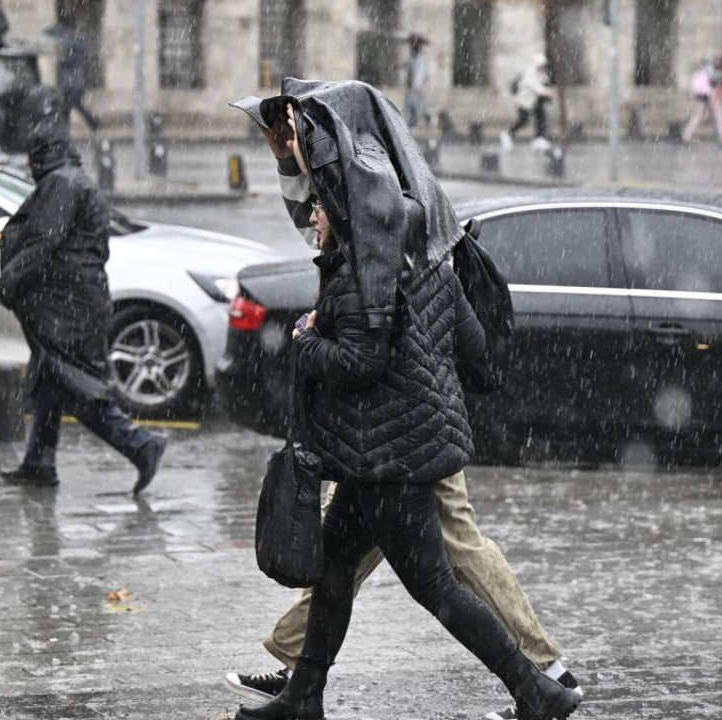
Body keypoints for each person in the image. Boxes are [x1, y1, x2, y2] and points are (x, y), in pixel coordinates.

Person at [230, 82, 582, 720]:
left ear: (346, 201)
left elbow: (361, 361)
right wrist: (424, 361)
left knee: (439, 583)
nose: (311, 218)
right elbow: (474, 353)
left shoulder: (363, 273)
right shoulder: (419, 255)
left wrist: (308, 343)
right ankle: (303, 696)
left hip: (390, 453)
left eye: (319, 208)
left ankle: (539, 689)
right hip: (390, 446)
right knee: (337, 571)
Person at [0, 87, 166, 495]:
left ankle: (141, 446)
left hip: (67, 307)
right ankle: (39, 462)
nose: (30, 164)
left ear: (42, 154)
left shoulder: (61, 184)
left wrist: (10, 281)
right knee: (52, 381)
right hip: (73, 301)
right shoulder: (73, 180)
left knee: (78, 386)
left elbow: (43, 241)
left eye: (32, 156)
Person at [46, 24, 99, 133]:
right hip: (73, 84)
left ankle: (92, 122)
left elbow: (67, 67)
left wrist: (60, 63)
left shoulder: (75, 55)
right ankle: (89, 122)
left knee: (71, 106)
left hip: (72, 85)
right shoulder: (78, 55)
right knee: (69, 106)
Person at [501, 54, 554, 151]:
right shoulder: (530, 73)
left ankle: (539, 138)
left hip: (532, 102)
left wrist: (547, 89)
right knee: (523, 120)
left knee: (540, 116)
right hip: (523, 102)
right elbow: (534, 86)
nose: (543, 68)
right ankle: (508, 134)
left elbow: (543, 83)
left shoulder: (541, 74)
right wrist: (546, 92)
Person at [681, 53, 722, 147]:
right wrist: (721, 76)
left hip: (702, 97)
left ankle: (686, 135)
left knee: (698, 117)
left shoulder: (700, 71)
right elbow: (716, 80)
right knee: (720, 117)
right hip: (711, 96)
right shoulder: (711, 69)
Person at [404, 34, 429, 129]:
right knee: (413, 108)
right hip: (414, 88)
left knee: (414, 108)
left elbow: (418, 74)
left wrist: (414, 85)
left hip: (415, 88)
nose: (411, 48)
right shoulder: (415, 58)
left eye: (412, 46)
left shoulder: (419, 59)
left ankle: (414, 125)